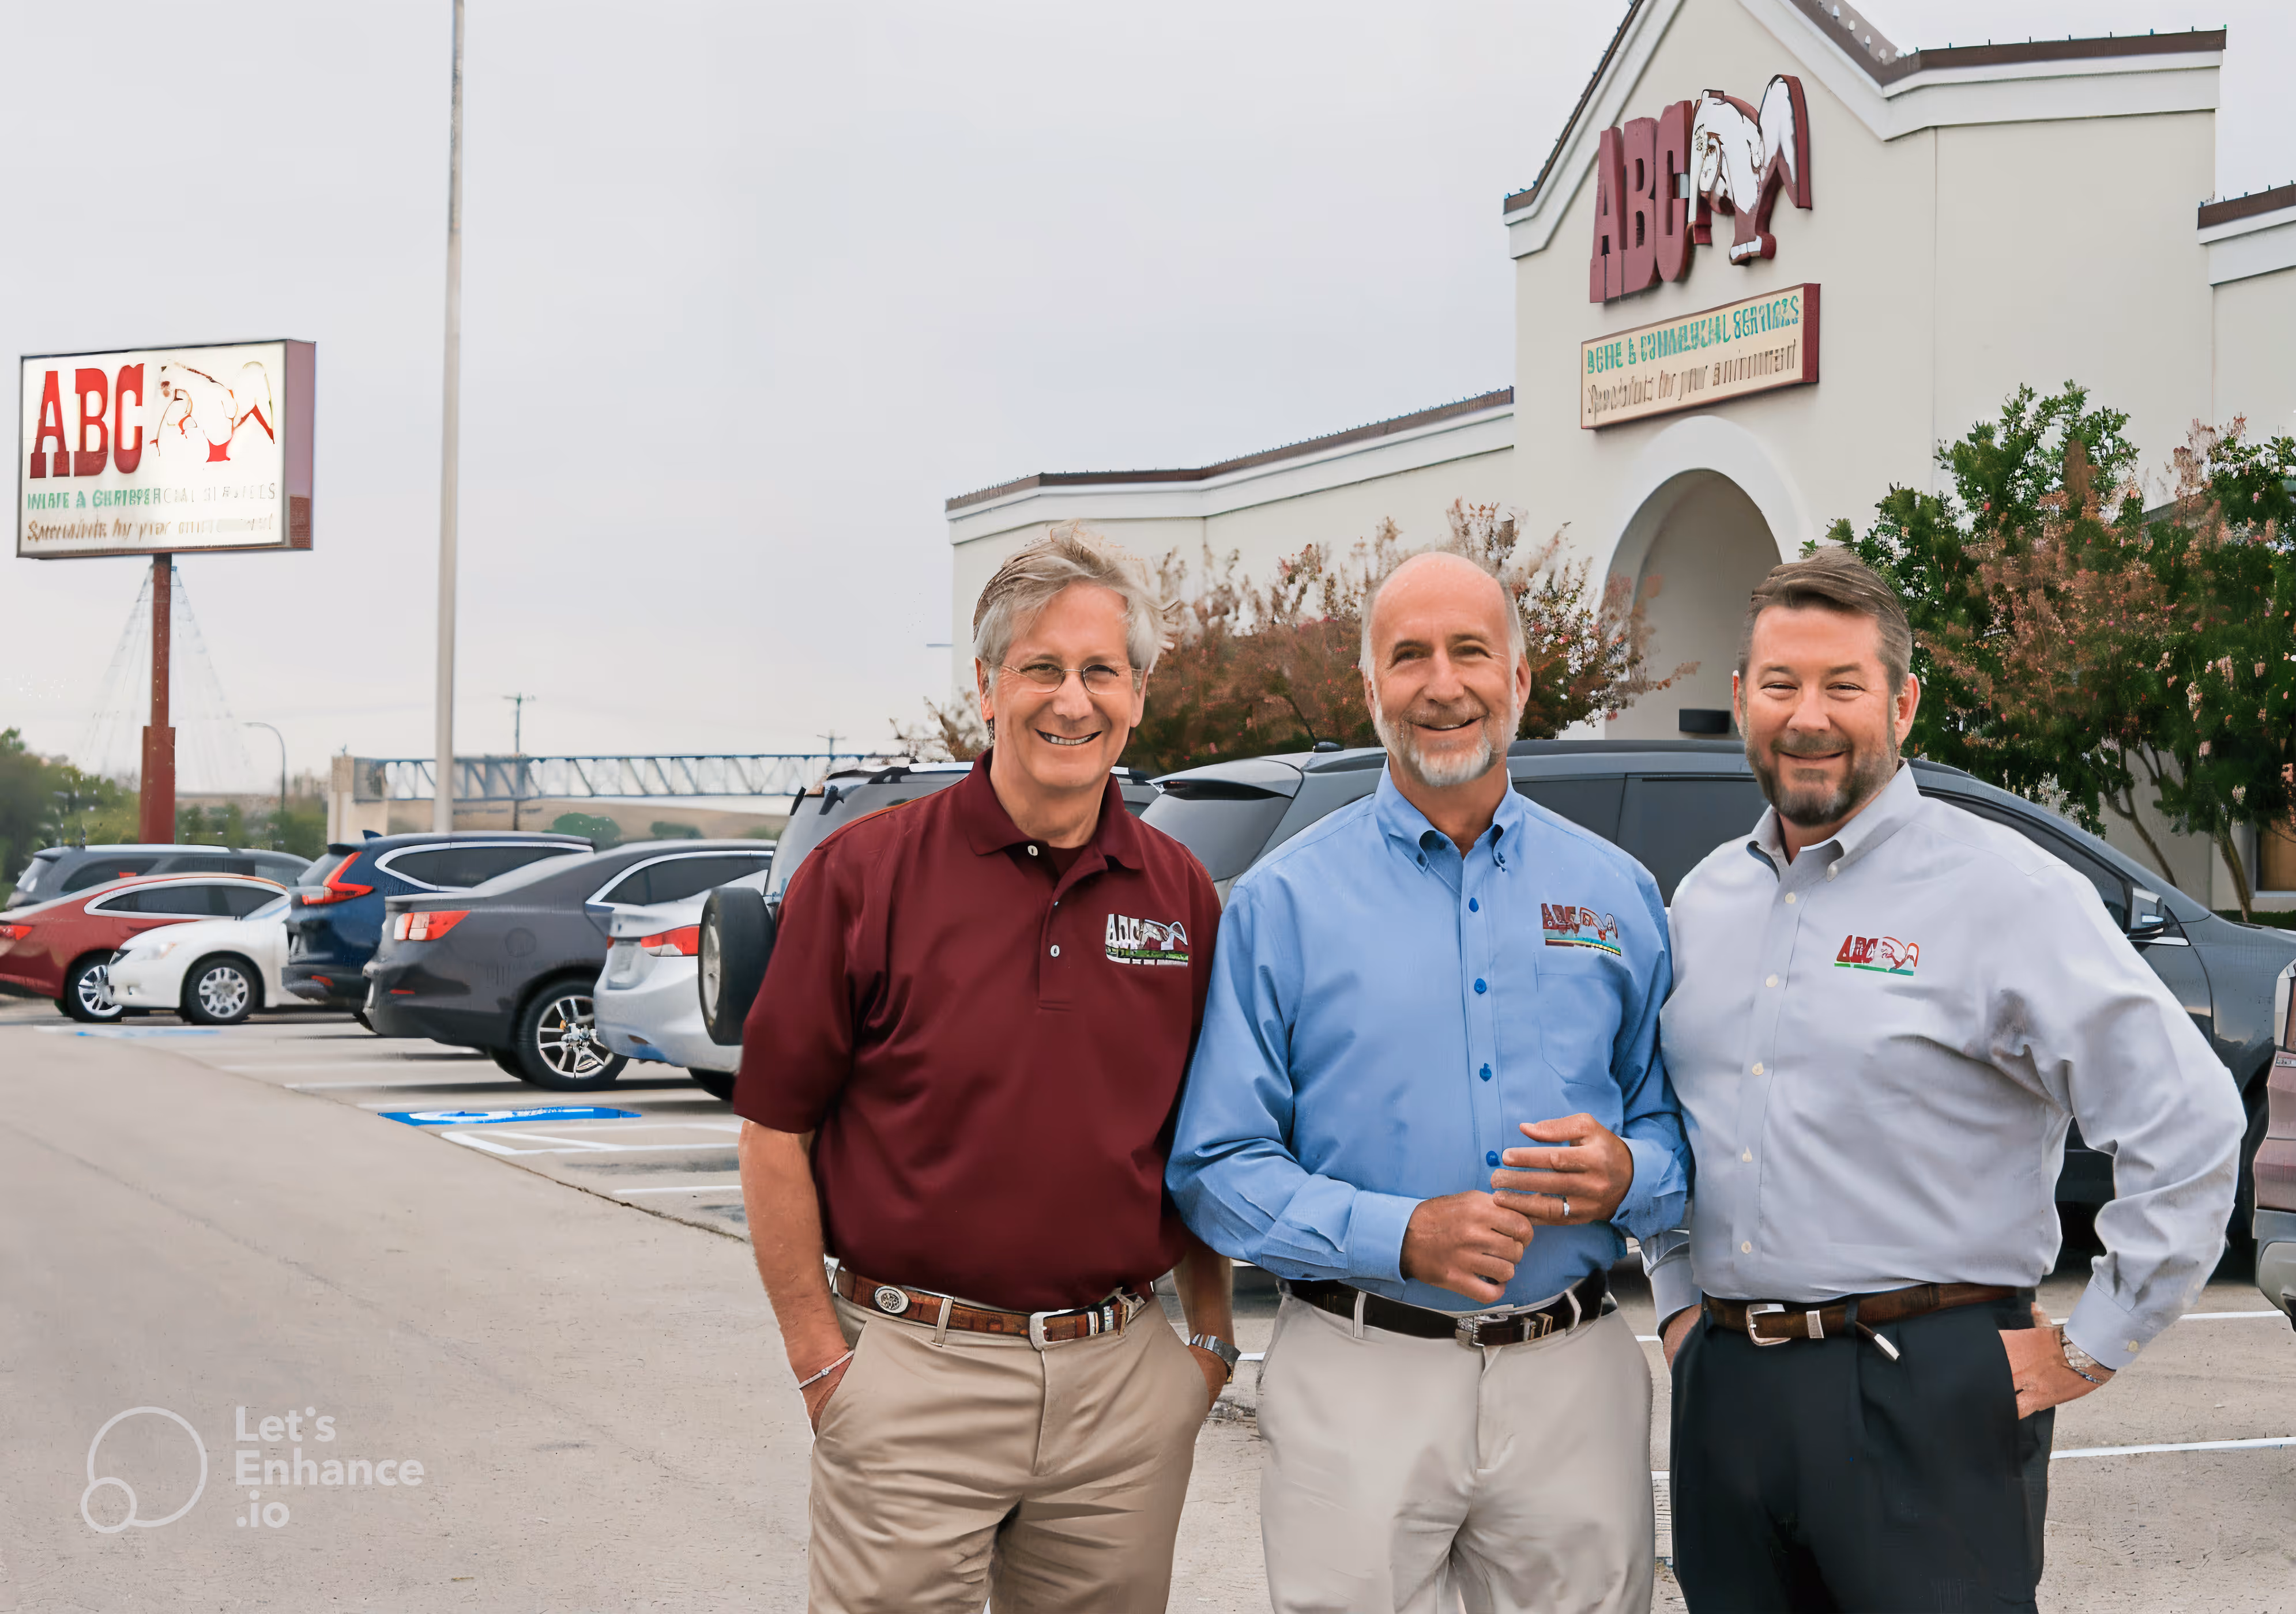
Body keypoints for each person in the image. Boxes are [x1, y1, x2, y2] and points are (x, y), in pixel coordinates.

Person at [1658, 549, 2244, 1612]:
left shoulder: (2004, 892)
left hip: (1924, 1389)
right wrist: (1671, 1308)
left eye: (1844, 685)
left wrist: (2093, 1341)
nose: (1808, 716)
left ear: (1903, 702)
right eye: (1781, 684)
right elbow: (1664, 1120)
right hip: (1725, 1391)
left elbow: (2190, 1119)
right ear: (1742, 698)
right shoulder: (1703, 904)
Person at [1169, 549, 1689, 1614]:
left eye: (1470, 652)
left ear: (1520, 678)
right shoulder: (1282, 905)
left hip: (1572, 1368)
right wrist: (1398, 1235)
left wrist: (1628, 1171)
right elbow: (1216, 1169)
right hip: (1358, 1367)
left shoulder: (1617, 891)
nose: (1442, 684)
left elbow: (1680, 1128)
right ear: (1371, 690)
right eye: (1409, 656)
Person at [733, 525, 1236, 1614]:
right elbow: (776, 1131)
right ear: (986, 686)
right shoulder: (863, 876)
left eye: (1101, 671)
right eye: (1041, 668)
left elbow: (1211, 1135)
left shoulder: (1182, 894)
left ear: (1139, 693)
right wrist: (825, 1364)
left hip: (1120, 1384)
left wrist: (1206, 1344)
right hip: (915, 1370)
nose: (1072, 700)